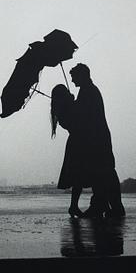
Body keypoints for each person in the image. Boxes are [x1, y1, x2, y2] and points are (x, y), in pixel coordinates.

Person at [68, 63, 125, 218]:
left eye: (74, 77)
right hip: (98, 138)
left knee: (103, 172)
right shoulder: (88, 90)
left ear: (82, 75)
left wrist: (72, 105)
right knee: (102, 173)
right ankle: (103, 205)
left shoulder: (88, 92)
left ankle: (105, 206)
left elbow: (83, 116)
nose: (72, 81)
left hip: (96, 140)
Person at [50, 84, 84, 218]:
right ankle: (73, 206)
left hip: (75, 142)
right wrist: (74, 102)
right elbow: (79, 119)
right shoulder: (65, 110)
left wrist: (72, 102)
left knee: (78, 177)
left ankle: (73, 206)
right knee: (79, 176)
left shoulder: (60, 110)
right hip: (78, 142)